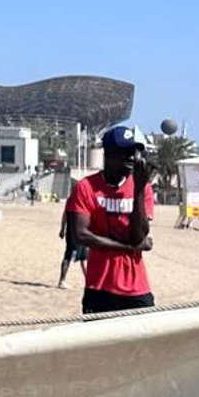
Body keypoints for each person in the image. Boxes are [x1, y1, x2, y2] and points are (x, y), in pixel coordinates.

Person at [65, 123, 155, 314]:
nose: (132, 158)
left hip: (137, 287)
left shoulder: (142, 188)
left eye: (134, 152)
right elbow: (81, 235)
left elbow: (139, 236)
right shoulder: (86, 187)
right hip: (100, 287)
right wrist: (129, 246)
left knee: (144, 343)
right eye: (125, 152)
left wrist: (138, 190)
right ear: (109, 154)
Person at [57, 198, 87, 287]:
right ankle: (62, 281)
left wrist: (62, 229)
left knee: (84, 258)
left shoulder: (72, 199)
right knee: (68, 257)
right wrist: (62, 229)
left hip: (81, 235)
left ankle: (89, 283)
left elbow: (65, 215)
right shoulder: (77, 200)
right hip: (75, 236)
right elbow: (66, 215)